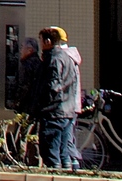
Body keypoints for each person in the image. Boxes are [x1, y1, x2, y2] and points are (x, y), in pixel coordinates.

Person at [37, 26, 82, 170]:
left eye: (41, 41)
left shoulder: (54, 59)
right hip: (68, 111)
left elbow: (52, 86)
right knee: (64, 153)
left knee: (51, 153)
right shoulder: (69, 59)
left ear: (48, 41)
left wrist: (43, 105)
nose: (41, 44)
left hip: (54, 112)